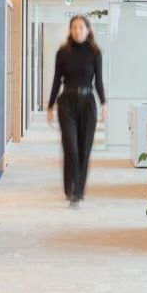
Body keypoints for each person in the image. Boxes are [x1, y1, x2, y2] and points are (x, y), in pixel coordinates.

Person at [46, 14, 107, 207]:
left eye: (81, 27)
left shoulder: (95, 53)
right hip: (67, 103)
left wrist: (104, 104)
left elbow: (99, 81)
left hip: (88, 103)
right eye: (74, 27)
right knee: (70, 147)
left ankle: (78, 190)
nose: (77, 30)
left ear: (88, 30)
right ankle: (71, 188)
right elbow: (57, 80)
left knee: (84, 148)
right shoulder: (63, 52)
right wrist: (50, 106)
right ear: (70, 30)